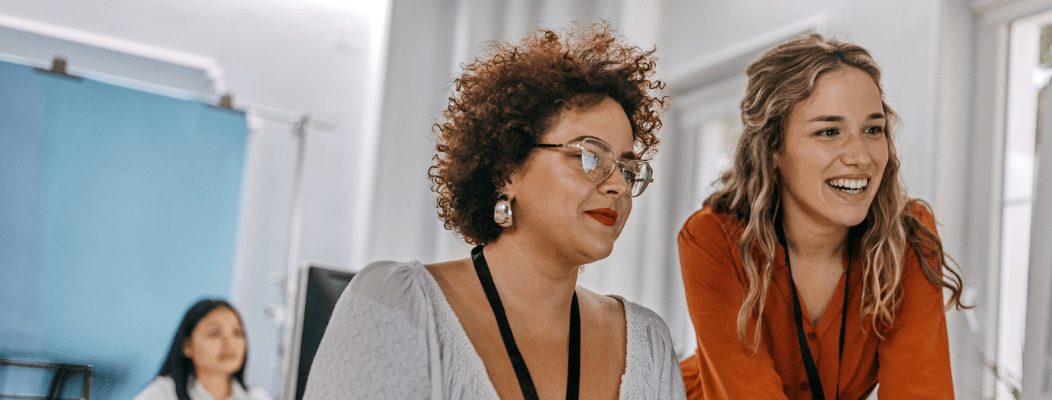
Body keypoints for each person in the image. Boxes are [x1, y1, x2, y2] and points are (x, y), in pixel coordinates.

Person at [303, 23, 683, 400]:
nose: (619, 186)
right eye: (590, 156)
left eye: (627, 169)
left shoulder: (647, 344)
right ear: (507, 170)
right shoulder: (398, 306)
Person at [677, 35, 969, 400]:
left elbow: (920, 390)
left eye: (873, 129)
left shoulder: (906, 235)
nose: (860, 157)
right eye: (829, 132)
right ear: (772, 147)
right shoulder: (714, 237)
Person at [134, 299, 271, 400]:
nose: (229, 343)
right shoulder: (162, 394)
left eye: (237, 333)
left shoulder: (257, 397)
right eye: (215, 333)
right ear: (187, 346)